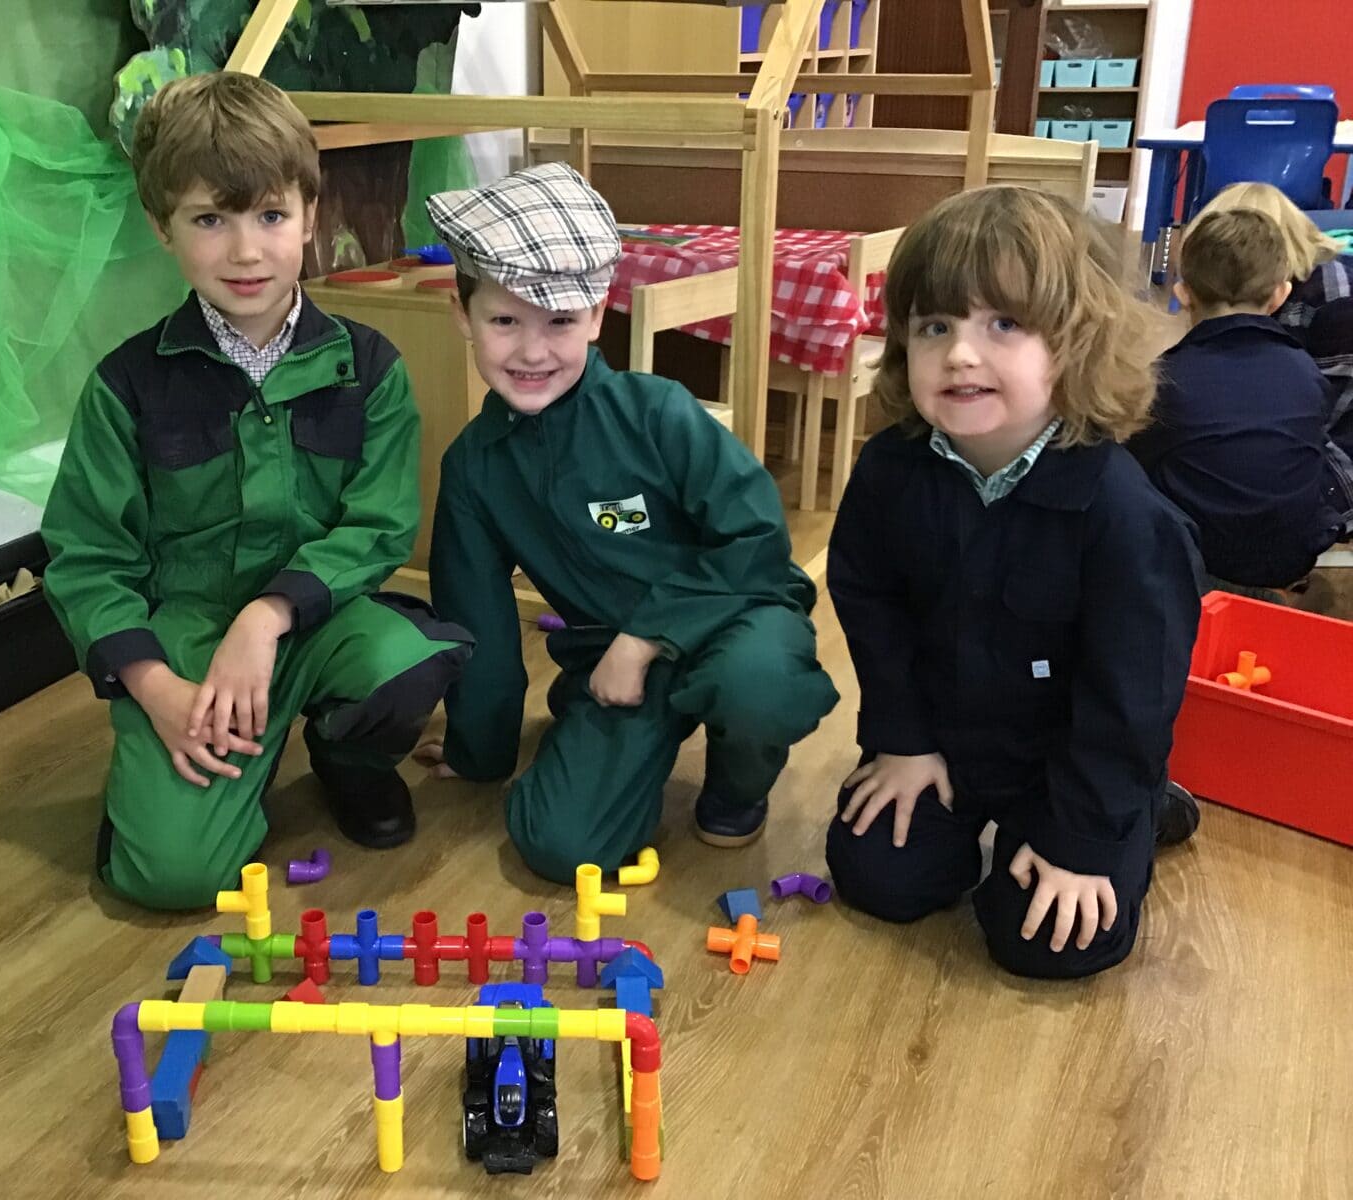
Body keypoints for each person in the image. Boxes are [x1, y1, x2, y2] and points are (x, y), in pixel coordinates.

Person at [40, 72, 470, 909]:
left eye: (271, 215)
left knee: (407, 664)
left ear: (312, 214)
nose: (245, 251)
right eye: (211, 219)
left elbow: (380, 526)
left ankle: (346, 757)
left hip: (317, 619)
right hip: (189, 642)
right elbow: (88, 558)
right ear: (164, 229)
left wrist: (268, 615)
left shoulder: (370, 365)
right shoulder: (125, 386)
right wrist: (154, 685)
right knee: (171, 879)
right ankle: (157, 798)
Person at [415, 162, 838, 882]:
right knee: (558, 845)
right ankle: (603, 739)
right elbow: (477, 626)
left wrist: (646, 638)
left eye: (560, 321)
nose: (532, 350)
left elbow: (757, 541)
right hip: (608, 666)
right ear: (463, 315)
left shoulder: (659, 411)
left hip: (733, 618)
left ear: (599, 312)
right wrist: (476, 751)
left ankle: (737, 792)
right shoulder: (474, 469)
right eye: (504, 320)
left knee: (758, 682)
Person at [825, 186, 1202, 980]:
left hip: (1068, 762)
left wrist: (1086, 840)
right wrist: (902, 739)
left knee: (1049, 942)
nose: (961, 353)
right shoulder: (892, 469)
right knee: (881, 879)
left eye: (1003, 324)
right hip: (946, 741)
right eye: (936, 326)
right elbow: (868, 601)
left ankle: (1143, 812)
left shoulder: (1123, 515)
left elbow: (1132, 697)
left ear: (1076, 344)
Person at [1129, 208, 1347, 595]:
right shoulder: (1305, 371)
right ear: (1280, 294)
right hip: (1289, 557)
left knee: (1127, 464)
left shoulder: (1166, 378)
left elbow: (1134, 466)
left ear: (1182, 292)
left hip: (1199, 560)